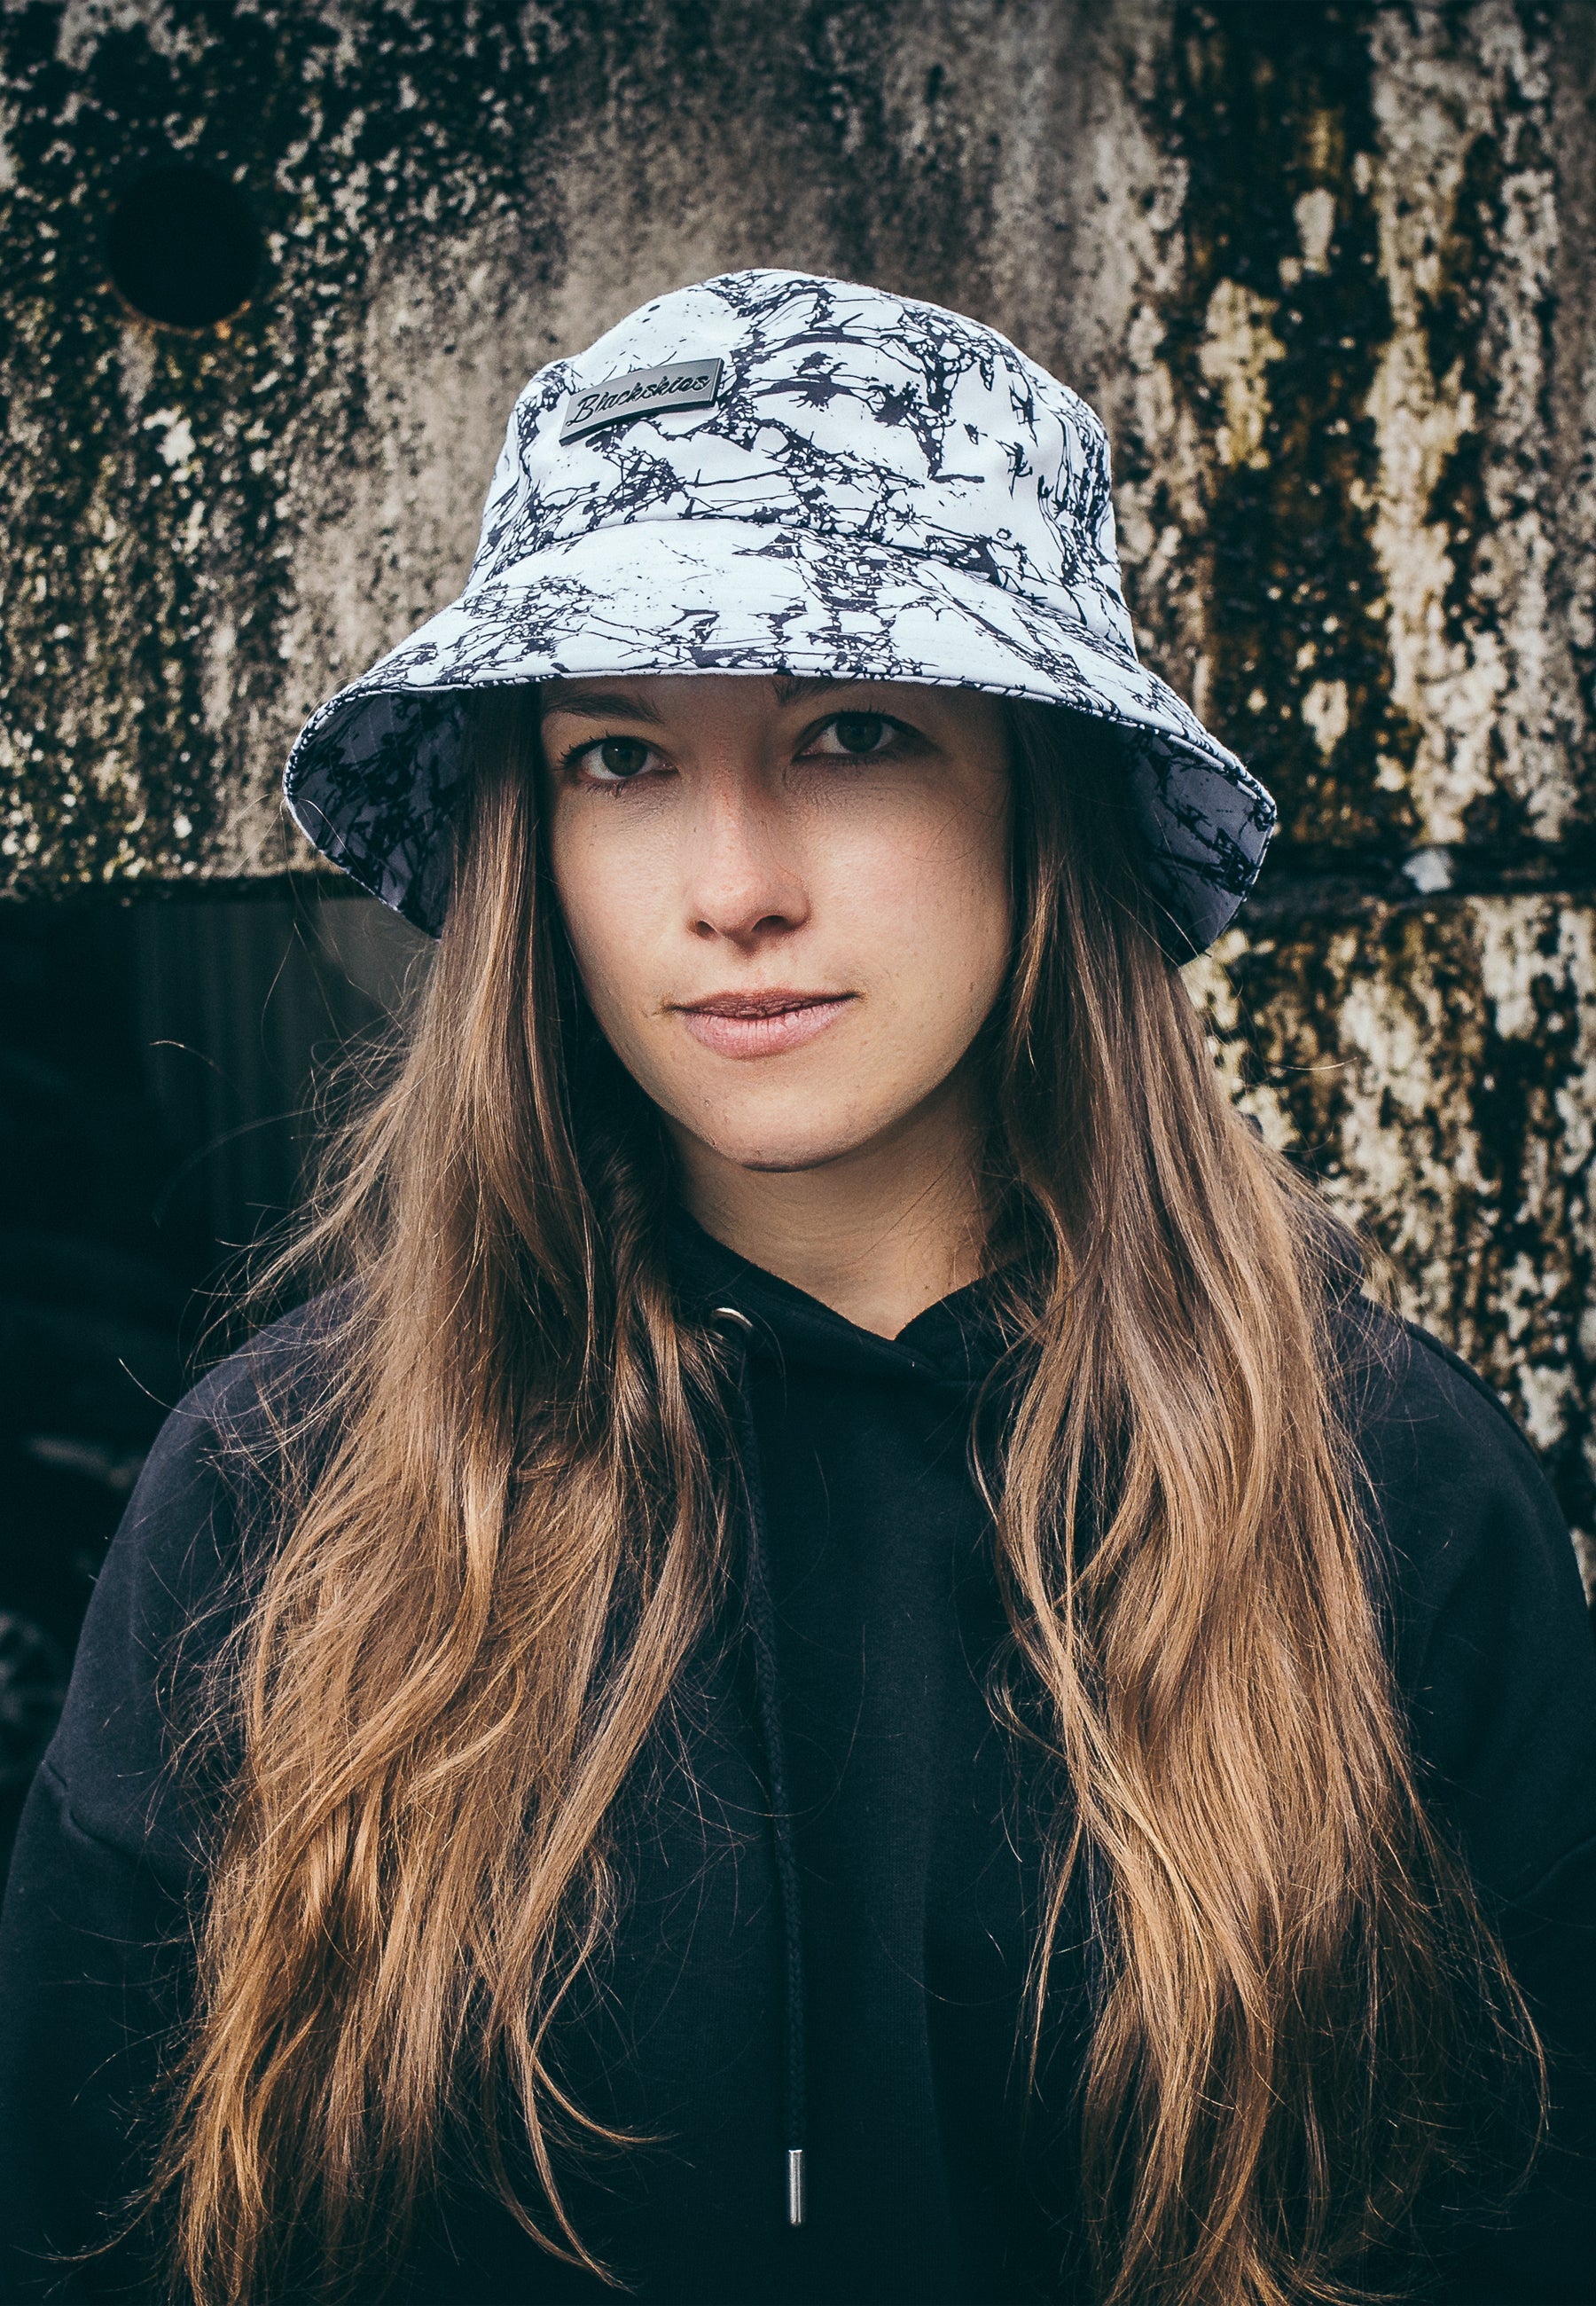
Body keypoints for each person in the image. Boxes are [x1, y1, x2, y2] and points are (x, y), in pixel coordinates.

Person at [1, 268, 1592, 2306]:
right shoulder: (286, 1499)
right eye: (620, 758)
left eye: (854, 733)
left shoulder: (1384, 1493)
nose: (734, 882)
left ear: (1040, 798)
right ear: (529, 834)